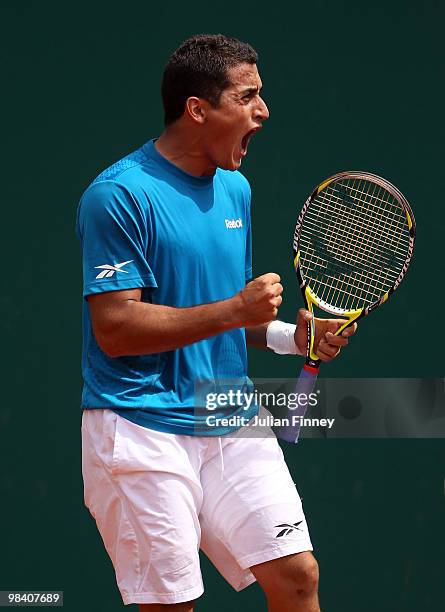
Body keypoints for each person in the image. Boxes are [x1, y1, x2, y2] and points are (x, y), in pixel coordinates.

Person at [77, 34, 356, 612]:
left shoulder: (236, 188)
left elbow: (225, 311)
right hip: (141, 427)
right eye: (248, 96)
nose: (264, 111)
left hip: (229, 415)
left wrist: (288, 337)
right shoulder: (118, 195)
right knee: (171, 606)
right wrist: (237, 310)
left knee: (298, 577)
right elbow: (117, 327)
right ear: (197, 109)